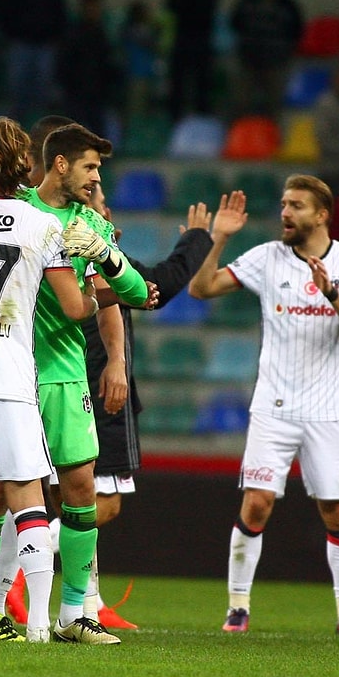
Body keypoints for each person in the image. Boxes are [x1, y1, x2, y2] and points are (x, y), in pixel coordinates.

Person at [0, 120, 151, 644]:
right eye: (89, 167)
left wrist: (114, 359)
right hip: (15, 372)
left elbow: (122, 291)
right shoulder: (34, 220)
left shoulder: (90, 224)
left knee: (80, 489)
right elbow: (108, 296)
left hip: (57, 372)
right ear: (56, 163)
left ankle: (75, 613)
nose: (96, 180)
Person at [188, 177, 339, 637]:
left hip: (326, 411)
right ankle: (237, 608)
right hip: (273, 407)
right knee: (257, 504)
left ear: (321, 215)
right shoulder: (267, 256)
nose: (285, 212)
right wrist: (221, 238)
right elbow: (202, 288)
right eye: (284, 204)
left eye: (296, 205)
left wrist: (331, 293)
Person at [80, 182, 213, 629]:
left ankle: (90, 602)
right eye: (99, 202)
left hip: (72, 386)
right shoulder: (98, 261)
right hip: (100, 392)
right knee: (104, 504)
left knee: (75, 499)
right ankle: (22, 564)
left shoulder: (70, 258)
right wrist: (198, 238)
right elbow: (159, 286)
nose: (109, 210)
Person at [0, 0, 68, 121]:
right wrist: (12, 34)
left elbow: (59, 14)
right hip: (21, 42)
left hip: (45, 43)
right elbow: (7, 12)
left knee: (44, 81)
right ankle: (18, 116)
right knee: (17, 82)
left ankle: (39, 116)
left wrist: (56, 37)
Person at [230, 0, 304, 118]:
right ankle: (240, 137)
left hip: (276, 64)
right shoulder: (246, 1)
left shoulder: (288, 4)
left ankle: (274, 139)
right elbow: (235, 23)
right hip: (249, 62)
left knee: (275, 106)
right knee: (241, 103)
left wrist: (283, 52)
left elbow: (297, 30)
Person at [164, 0, 222, 120]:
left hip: (202, 38)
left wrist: (189, 6)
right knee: (177, 86)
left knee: (202, 86)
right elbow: (172, 6)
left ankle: (201, 124)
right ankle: (176, 123)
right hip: (182, 38)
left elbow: (207, 7)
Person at [56, 0, 117, 135]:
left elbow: (107, 62)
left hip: (97, 90)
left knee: (97, 130)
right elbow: (65, 61)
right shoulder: (73, 33)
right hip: (76, 91)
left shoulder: (101, 34)